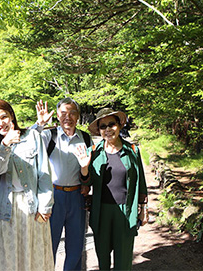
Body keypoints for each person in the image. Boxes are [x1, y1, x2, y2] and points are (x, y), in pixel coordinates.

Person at [75, 108, 149, 270]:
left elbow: (141, 181)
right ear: (99, 131)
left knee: (123, 260)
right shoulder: (93, 152)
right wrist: (84, 168)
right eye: (103, 126)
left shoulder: (132, 151)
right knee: (103, 258)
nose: (108, 129)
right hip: (101, 212)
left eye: (111, 124)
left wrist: (143, 208)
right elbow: (86, 184)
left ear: (119, 125)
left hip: (126, 211)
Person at [0, 99, 54, 271]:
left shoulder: (32, 136)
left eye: (3, 117)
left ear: (12, 116)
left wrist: (45, 206)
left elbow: (44, 172)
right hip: (6, 208)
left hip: (32, 204)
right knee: (9, 260)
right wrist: (5, 145)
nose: (0, 123)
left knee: (35, 258)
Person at [34, 98, 93, 270]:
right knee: (48, 244)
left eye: (72, 112)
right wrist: (39, 124)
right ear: (58, 115)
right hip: (53, 196)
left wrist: (86, 183)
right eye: (64, 113)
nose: (68, 117)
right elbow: (28, 144)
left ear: (78, 116)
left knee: (76, 245)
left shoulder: (86, 139)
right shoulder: (48, 135)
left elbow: (90, 171)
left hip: (77, 196)